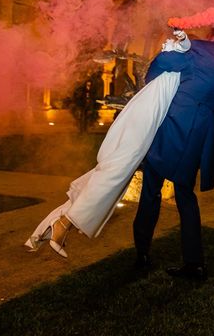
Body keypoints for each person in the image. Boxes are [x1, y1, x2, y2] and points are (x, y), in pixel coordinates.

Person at [25, 29, 192, 256]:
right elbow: (183, 48)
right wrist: (182, 38)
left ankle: (53, 224)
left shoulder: (171, 65)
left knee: (112, 174)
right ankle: (63, 224)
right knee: (115, 173)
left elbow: (183, 49)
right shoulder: (171, 60)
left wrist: (183, 38)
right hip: (144, 118)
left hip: (147, 118)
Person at [133, 25, 214, 281]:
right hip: (199, 133)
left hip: (173, 125)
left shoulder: (198, 51)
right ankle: (194, 262)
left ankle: (142, 251)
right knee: (185, 196)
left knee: (151, 190)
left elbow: (154, 71)